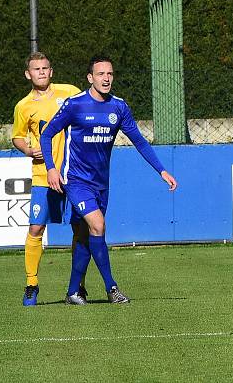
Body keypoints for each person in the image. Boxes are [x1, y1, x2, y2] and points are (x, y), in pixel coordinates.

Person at [40, 56, 177, 304]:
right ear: (90, 78)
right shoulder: (75, 105)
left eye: (110, 74)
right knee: (98, 225)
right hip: (75, 180)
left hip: (101, 183)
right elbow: (47, 134)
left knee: (85, 234)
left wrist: (161, 170)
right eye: (101, 74)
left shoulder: (119, 107)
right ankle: (112, 288)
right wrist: (51, 168)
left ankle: (73, 292)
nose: (106, 78)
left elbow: (139, 141)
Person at [11, 52, 81, 306]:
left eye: (45, 68)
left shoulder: (70, 92)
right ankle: (31, 284)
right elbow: (17, 136)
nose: (41, 72)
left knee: (80, 228)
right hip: (43, 175)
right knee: (36, 228)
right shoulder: (23, 106)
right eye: (36, 69)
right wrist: (28, 150)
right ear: (28, 74)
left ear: (51, 71)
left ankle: (77, 286)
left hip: (73, 174)